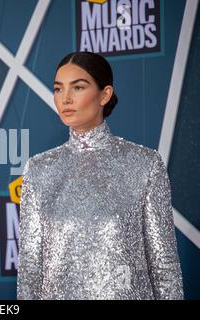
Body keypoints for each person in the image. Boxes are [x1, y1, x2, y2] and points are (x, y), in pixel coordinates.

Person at [16, 51, 184, 300]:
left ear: (104, 94)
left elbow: (164, 265)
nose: (66, 99)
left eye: (78, 87)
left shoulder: (144, 164)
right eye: (58, 89)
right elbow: (30, 270)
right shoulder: (38, 169)